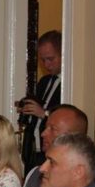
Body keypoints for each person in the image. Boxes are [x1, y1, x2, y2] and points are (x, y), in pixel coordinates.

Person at [23, 104, 95, 187]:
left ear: (74, 137)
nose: (43, 134)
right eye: (45, 127)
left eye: (53, 129)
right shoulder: (36, 173)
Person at [18, 30, 62, 174]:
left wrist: (44, 114)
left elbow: (66, 119)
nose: (46, 64)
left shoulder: (70, 84)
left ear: (63, 54)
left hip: (55, 149)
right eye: (43, 60)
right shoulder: (44, 81)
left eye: (50, 59)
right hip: (34, 149)